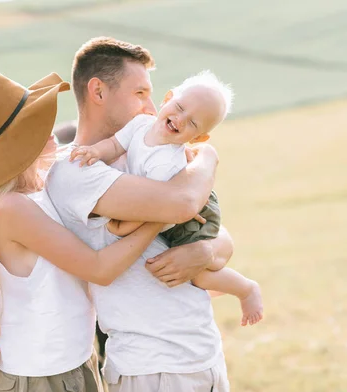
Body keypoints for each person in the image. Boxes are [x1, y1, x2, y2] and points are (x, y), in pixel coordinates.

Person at [0, 71, 165, 392]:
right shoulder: (11, 209)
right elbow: (99, 268)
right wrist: (159, 217)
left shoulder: (34, 192)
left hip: (68, 365)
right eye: (36, 122)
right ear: (16, 143)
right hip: (45, 380)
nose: (52, 128)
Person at [45, 37, 235, 392]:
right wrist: (208, 158)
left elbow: (219, 235)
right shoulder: (73, 170)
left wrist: (205, 253)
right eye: (140, 93)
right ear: (98, 92)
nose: (151, 106)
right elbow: (182, 203)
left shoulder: (146, 154)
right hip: (153, 365)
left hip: (200, 353)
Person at [69, 70, 263, 327]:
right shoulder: (140, 125)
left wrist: (122, 226)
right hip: (174, 205)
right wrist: (95, 151)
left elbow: (156, 210)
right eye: (180, 107)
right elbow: (116, 145)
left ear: (198, 138)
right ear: (167, 98)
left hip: (191, 216)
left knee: (200, 275)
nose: (180, 120)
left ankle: (246, 289)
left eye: (193, 123)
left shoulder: (168, 163)